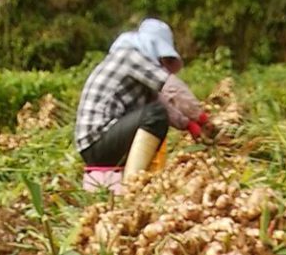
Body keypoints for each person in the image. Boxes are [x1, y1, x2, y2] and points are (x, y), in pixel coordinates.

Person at [74, 18, 212, 191]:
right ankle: (132, 185)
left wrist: (190, 125)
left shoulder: (138, 71)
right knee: (154, 115)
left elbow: (164, 104)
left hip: (97, 143)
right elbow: (172, 89)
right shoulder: (129, 56)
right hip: (97, 140)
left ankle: (134, 181)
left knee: (156, 114)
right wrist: (202, 117)